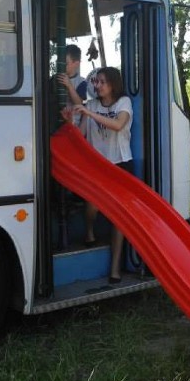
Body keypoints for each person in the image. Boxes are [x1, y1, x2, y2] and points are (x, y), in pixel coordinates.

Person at [62, 66, 132, 284]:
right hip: (96, 166)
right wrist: (68, 121)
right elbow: (81, 134)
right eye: (96, 82)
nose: (97, 85)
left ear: (113, 84)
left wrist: (89, 112)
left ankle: (114, 269)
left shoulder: (124, 103)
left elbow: (119, 125)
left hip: (120, 165)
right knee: (92, 206)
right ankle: (90, 230)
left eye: (102, 82)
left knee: (119, 219)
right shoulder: (91, 105)